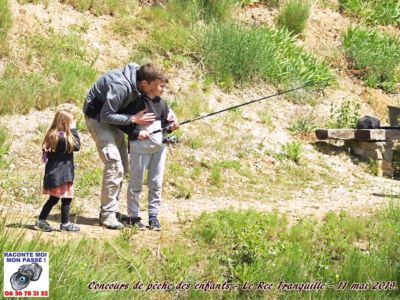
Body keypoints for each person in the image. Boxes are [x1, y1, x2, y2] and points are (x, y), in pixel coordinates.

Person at [83, 63, 178, 229]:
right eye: (156, 86)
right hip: (99, 118)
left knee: (123, 168)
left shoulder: (142, 76)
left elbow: (154, 101)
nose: (159, 89)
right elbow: (106, 115)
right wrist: (133, 120)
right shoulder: (121, 86)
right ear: (144, 84)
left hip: (116, 116)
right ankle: (107, 215)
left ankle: (112, 210)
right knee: (114, 164)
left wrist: (168, 112)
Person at [118, 64, 177, 231]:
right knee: (136, 184)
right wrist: (136, 133)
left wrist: (171, 126)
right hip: (139, 150)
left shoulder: (163, 104)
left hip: (159, 150)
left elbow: (166, 124)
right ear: (150, 85)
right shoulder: (136, 102)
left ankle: (153, 217)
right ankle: (134, 216)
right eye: (161, 86)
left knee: (156, 183)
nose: (163, 89)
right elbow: (124, 122)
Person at [35, 110, 81, 232]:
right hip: (61, 174)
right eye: (71, 122)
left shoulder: (53, 135)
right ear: (65, 123)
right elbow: (77, 146)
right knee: (65, 198)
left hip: (56, 174)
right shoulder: (62, 138)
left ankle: (42, 220)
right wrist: (74, 130)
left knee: (54, 199)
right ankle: (64, 224)